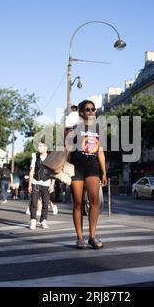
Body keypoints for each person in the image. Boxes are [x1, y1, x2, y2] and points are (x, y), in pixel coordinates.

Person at [67, 100, 107, 250]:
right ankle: (79, 238)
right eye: (88, 109)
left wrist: (104, 172)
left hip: (92, 167)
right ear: (81, 112)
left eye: (93, 109)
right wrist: (64, 171)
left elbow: (101, 152)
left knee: (95, 200)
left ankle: (92, 236)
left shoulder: (98, 130)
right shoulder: (74, 129)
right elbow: (69, 152)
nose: (91, 112)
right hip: (76, 167)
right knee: (78, 202)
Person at [28, 142, 55, 230]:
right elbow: (32, 171)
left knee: (45, 204)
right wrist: (29, 184)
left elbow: (53, 172)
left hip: (46, 183)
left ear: (46, 147)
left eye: (40, 146)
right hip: (36, 182)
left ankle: (43, 221)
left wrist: (52, 185)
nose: (38, 147)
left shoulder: (51, 158)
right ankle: (33, 221)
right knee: (33, 203)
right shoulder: (35, 157)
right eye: (38, 146)